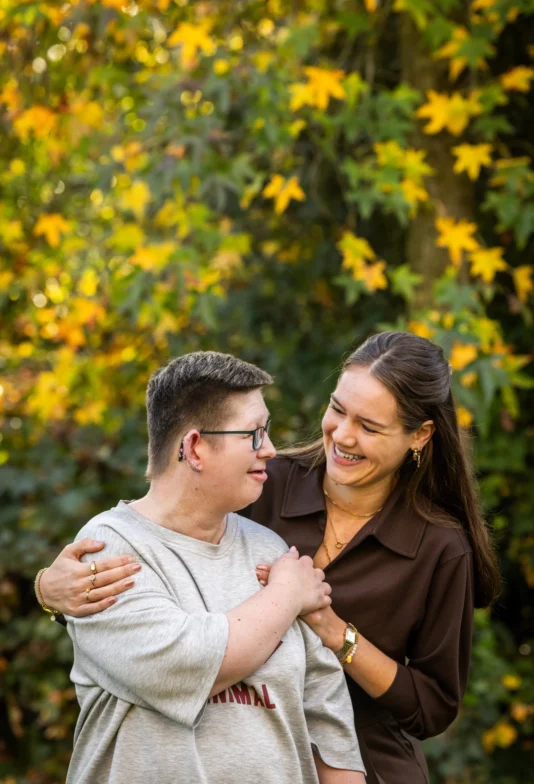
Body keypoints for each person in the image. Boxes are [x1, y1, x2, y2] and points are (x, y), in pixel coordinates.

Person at [38, 331, 501, 784]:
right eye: (337, 409)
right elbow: (169, 525)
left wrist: (334, 631)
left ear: (418, 436)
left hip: (369, 759)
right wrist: (50, 591)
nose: (342, 434)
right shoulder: (263, 484)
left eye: (369, 426)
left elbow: (431, 706)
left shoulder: (441, 547)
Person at [37, 351, 366, 784]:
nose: (269, 449)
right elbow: (191, 663)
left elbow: (329, 727)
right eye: (253, 434)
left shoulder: (271, 552)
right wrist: (286, 595)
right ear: (194, 447)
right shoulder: (108, 550)